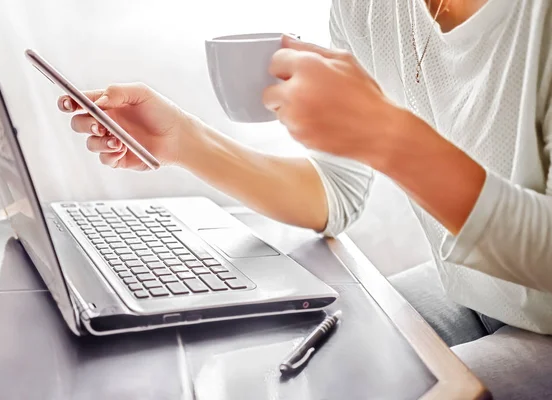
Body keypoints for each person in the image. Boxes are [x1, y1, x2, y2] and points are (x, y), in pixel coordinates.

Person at [58, 1, 552, 397]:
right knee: (291, 360)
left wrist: (389, 138)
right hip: (472, 288)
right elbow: (334, 195)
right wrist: (184, 141)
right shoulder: (368, 9)